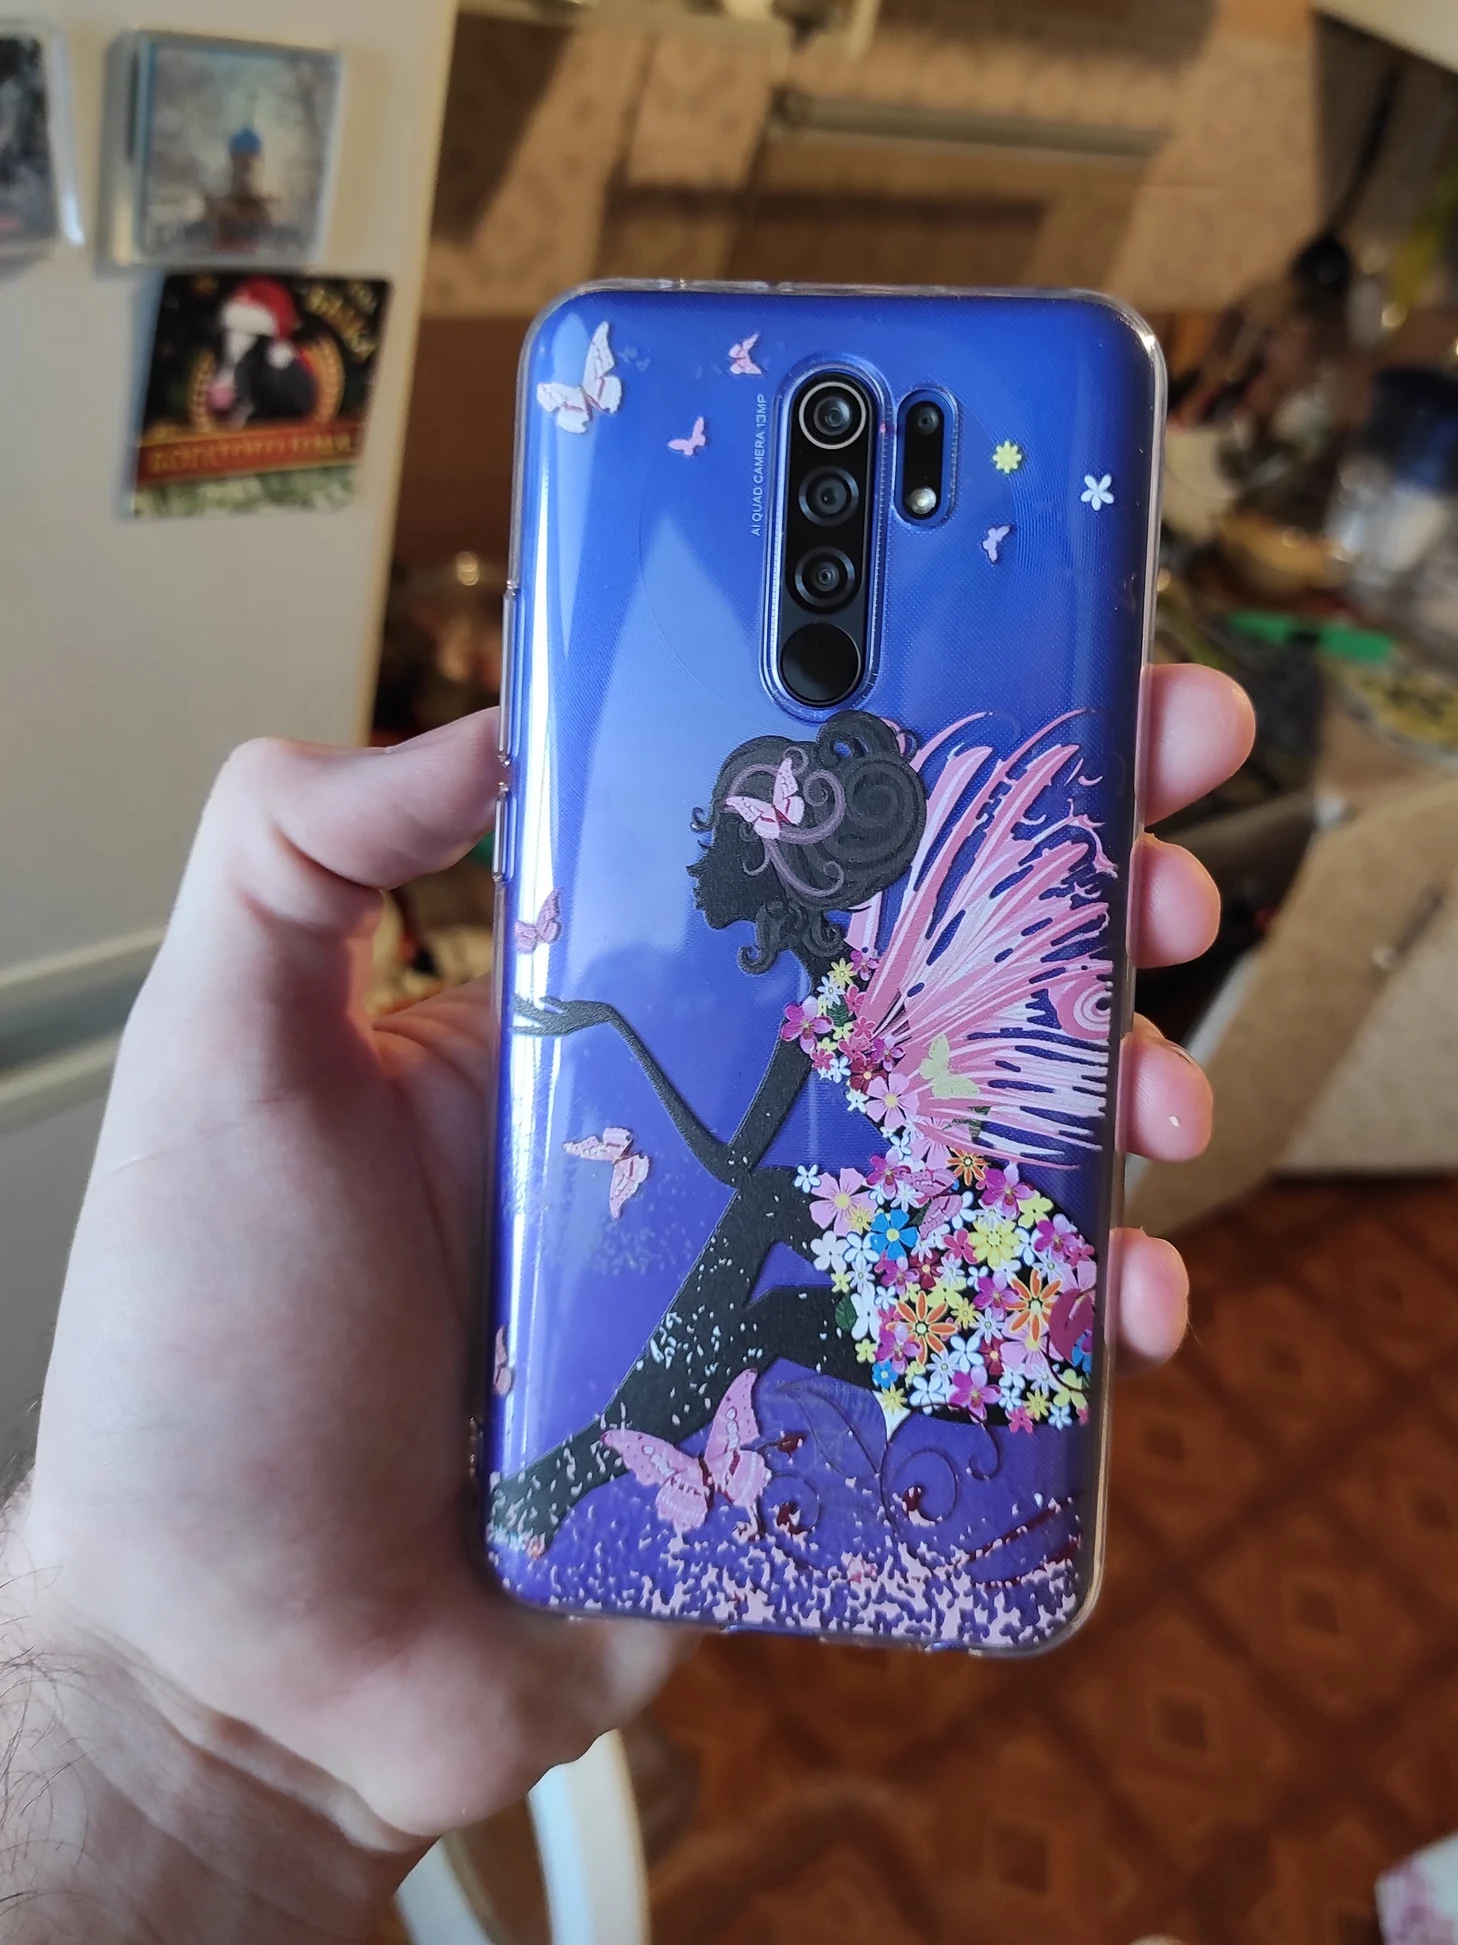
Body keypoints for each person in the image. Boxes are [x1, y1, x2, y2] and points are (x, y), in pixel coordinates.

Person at [0, 665, 1252, 1940]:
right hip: (900, 1279)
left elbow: (745, 1176)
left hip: (941, 1289)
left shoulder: (848, 1006)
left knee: (804, 1254)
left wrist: (606, 1029)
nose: (701, 856)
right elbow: (739, 1170)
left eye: (720, 838)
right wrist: (606, 1031)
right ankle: (599, 1461)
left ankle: (611, 1457)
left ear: (774, 867)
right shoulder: (824, 1005)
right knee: (773, 1300)